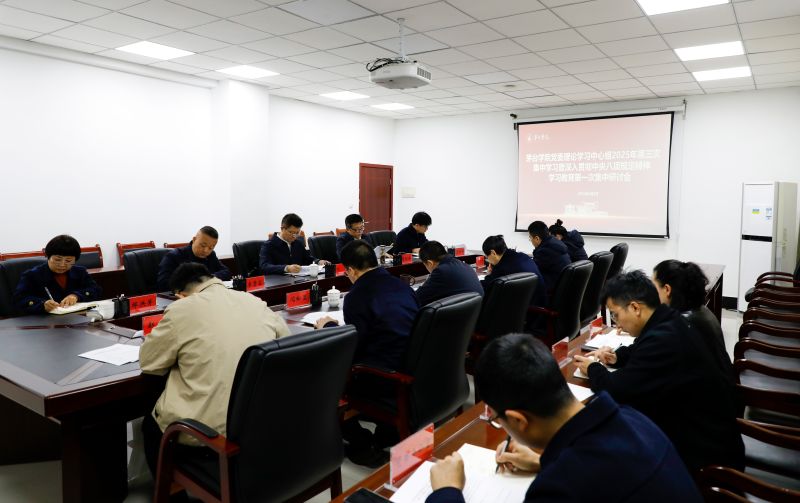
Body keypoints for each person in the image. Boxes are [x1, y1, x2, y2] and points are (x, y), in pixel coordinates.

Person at [426, 334, 702, 503]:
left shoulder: (559, 488)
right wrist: (543, 462)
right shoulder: (634, 417)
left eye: (499, 420)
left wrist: (447, 491)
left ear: (518, 420)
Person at [573, 270, 744, 474]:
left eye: (616, 315)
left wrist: (592, 368)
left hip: (706, 460)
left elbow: (617, 390)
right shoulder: (669, 320)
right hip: (706, 435)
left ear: (635, 308)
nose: (617, 323)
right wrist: (617, 357)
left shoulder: (664, 339)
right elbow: (640, 348)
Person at [139, 263, 290, 475]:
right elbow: (286, 344)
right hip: (259, 423)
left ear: (181, 294)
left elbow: (149, 363)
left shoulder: (182, 308)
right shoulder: (254, 301)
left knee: (151, 425)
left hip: (208, 436)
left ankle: (172, 489)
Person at [315, 239, 419, 467]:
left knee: (326, 380)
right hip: (413, 367)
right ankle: (387, 432)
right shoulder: (401, 285)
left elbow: (354, 347)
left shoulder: (357, 295)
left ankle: (358, 440)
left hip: (383, 377)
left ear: (351, 270)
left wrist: (329, 327)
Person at [652, 260, 734, 384]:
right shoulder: (700, 310)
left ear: (667, 289)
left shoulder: (682, 324)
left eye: (654, 288)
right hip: (723, 386)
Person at [13, 234, 102, 314]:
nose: (62, 265)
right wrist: (42, 304)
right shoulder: (32, 275)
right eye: (57, 260)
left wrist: (76, 296)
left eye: (68, 261)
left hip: (77, 318)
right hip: (45, 321)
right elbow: (19, 300)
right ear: (48, 256)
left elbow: (96, 290)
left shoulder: (79, 272)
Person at [156, 226, 231, 291]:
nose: (206, 250)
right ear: (194, 239)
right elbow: (163, 283)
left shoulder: (211, 255)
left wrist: (208, 278)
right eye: (203, 245)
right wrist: (195, 282)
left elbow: (226, 272)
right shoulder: (174, 256)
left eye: (211, 248)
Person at [481, 235, 546, 309]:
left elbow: (487, 287)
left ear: (493, 253)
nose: (488, 260)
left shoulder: (502, 267)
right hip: (539, 304)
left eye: (487, 257)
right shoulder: (522, 256)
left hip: (527, 309)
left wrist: (489, 275)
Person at [415, 241, 483, 306]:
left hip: (461, 312)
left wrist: (425, 283)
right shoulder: (464, 265)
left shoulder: (441, 271)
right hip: (476, 310)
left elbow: (417, 298)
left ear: (430, 263)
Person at [259, 213, 329, 275]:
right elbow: (264, 266)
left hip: (298, 280)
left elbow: (307, 259)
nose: (294, 236)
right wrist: (286, 268)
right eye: (291, 232)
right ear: (282, 229)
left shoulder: (297, 243)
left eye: (297, 233)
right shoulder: (269, 245)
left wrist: (319, 262)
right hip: (278, 282)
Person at [527, 221, 570, 292]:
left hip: (551, 290)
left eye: (530, 238)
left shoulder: (544, 251)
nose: (530, 240)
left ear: (537, 238)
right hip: (562, 288)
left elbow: (530, 270)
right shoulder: (555, 242)